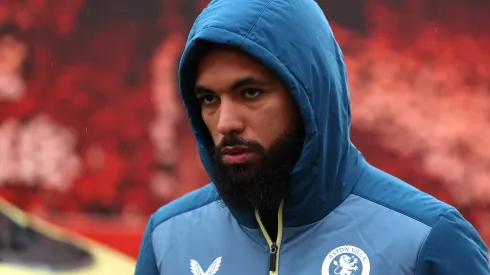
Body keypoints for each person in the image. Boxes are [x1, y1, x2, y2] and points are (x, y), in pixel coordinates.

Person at [134, 0, 490, 274]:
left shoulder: (428, 240)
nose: (226, 123)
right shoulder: (168, 239)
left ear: (308, 97)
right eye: (209, 99)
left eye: (251, 93)